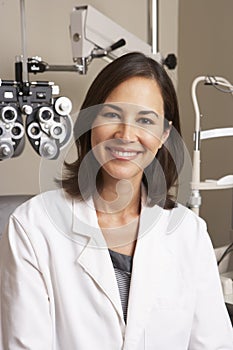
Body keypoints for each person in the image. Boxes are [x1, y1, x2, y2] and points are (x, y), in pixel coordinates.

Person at [0, 52, 232, 350]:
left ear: (163, 134)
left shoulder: (190, 234)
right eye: (111, 114)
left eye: (145, 120)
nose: (126, 134)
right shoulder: (33, 227)